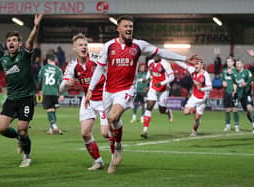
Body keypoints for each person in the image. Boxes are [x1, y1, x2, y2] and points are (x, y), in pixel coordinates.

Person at [84, 15, 200, 173]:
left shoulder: (139, 45)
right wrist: (91, 89)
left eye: (131, 26)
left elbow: (162, 51)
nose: (129, 29)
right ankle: (113, 157)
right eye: (125, 26)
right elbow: (99, 68)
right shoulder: (109, 46)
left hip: (126, 89)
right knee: (109, 129)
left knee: (113, 117)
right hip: (108, 90)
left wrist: (184, 58)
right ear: (118, 28)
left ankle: (118, 147)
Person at [0, 14, 43, 167]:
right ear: (6, 44)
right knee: (1, 128)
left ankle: (27, 156)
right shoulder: (3, 61)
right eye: (9, 40)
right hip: (11, 98)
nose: (11, 42)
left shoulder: (24, 55)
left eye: (14, 40)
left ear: (19, 44)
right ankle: (19, 138)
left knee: (23, 130)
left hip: (26, 98)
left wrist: (36, 27)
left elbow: (30, 42)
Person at [59, 33, 108, 171]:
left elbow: (111, 72)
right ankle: (98, 162)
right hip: (88, 101)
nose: (84, 47)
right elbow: (61, 88)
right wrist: (66, 85)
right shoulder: (72, 66)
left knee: (105, 133)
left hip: (104, 100)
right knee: (85, 133)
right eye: (80, 45)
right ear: (74, 48)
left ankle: (117, 145)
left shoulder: (96, 59)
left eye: (86, 44)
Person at [175, 60, 212, 136]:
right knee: (186, 112)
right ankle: (195, 110)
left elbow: (210, 87)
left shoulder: (205, 75)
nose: (195, 66)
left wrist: (201, 89)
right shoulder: (192, 70)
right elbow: (184, 65)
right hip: (194, 97)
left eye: (197, 64)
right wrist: (175, 58)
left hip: (203, 99)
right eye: (195, 64)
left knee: (197, 118)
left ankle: (194, 131)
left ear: (202, 65)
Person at [141, 56, 174, 138]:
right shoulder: (150, 62)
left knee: (161, 110)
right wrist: (146, 78)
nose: (155, 57)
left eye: (157, 55)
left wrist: (161, 83)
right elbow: (150, 71)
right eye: (154, 55)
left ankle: (168, 111)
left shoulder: (165, 64)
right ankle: (145, 131)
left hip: (164, 88)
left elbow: (172, 77)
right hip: (153, 87)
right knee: (149, 107)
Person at [38, 54, 64, 135]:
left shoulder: (44, 68)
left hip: (46, 91)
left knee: (49, 110)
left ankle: (54, 126)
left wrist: (39, 89)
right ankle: (51, 129)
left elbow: (40, 79)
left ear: (48, 60)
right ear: (54, 60)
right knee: (53, 110)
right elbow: (61, 83)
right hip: (55, 92)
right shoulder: (58, 70)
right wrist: (61, 94)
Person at [232, 59, 254, 133]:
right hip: (240, 95)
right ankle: (253, 122)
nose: (237, 65)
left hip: (247, 93)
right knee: (247, 113)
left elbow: (252, 81)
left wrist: (246, 83)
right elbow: (234, 83)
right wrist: (234, 90)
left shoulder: (247, 72)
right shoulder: (234, 73)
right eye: (236, 64)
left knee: (249, 108)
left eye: (239, 64)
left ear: (242, 64)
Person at [222, 57, 239, 132]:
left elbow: (238, 80)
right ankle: (228, 125)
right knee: (227, 110)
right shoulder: (224, 71)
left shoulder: (236, 70)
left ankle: (236, 126)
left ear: (233, 62)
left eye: (229, 61)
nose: (228, 63)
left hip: (234, 92)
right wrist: (223, 83)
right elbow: (223, 80)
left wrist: (235, 90)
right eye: (227, 61)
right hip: (226, 92)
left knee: (235, 109)